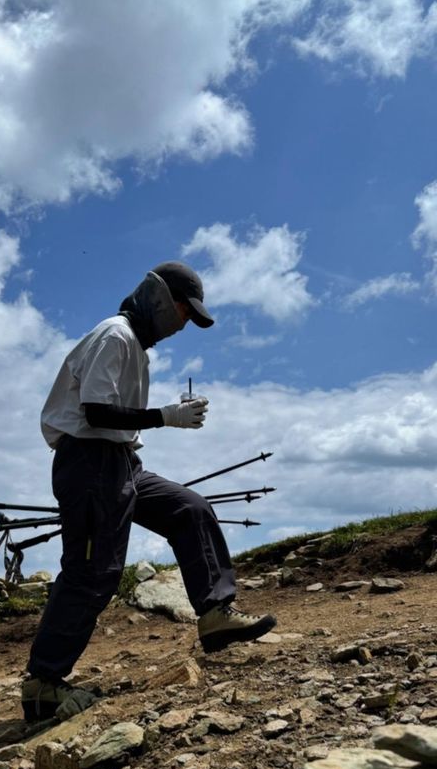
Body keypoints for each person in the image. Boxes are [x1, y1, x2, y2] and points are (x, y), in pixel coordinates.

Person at [21, 262, 276, 722]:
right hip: (90, 461)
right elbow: (96, 412)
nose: (182, 324)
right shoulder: (116, 336)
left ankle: (215, 615)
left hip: (120, 462)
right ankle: (44, 685)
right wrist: (167, 416)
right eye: (182, 311)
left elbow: (109, 416)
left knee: (189, 509)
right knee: (92, 571)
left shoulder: (133, 345)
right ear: (161, 300)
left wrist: (164, 416)